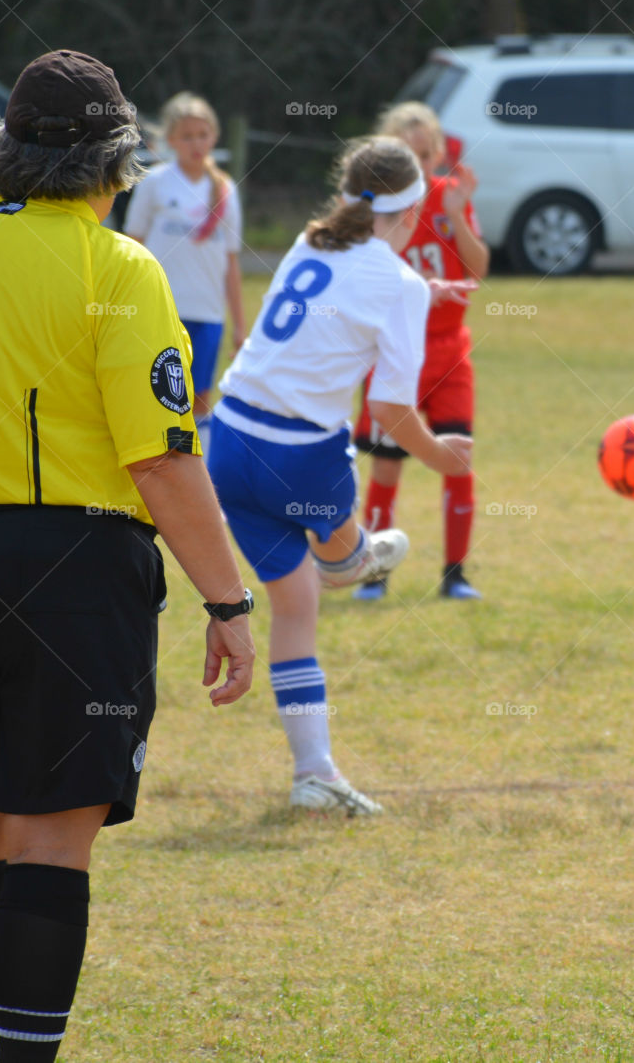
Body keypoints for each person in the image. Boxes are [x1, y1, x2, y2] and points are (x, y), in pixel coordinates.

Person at [0, 49, 255, 1063]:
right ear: (117, 168)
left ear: (1, 151)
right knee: (48, 842)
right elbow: (158, 463)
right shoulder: (117, 268)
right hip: (70, 567)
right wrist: (230, 603)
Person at [207, 137, 471, 815]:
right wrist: (441, 454)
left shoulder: (311, 239)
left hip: (230, 440)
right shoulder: (402, 285)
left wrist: (419, 289)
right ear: (415, 210)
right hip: (299, 453)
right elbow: (387, 407)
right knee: (345, 569)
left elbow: (344, 298)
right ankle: (356, 556)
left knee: (296, 606)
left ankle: (313, 773)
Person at [353, 102, 489, 601]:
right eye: (408, 154)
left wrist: (458, 218)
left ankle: (456, 575)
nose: (420, 164)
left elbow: (477, 271)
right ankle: (376, 573)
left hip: (449, 351)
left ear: (438, 155)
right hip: (393, 352)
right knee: (386, 466)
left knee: (458, 457)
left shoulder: (451, 198)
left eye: (427, 153)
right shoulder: (379, 209)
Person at [123, 92, 244, 448]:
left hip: (207, 313)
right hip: (161, 310)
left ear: (214, 137)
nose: (196, 143)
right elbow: (131, 248)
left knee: (200, 397)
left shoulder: (225, 189)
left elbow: (232, 261)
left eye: (202, 134)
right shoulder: (155, 182)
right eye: (187, 136)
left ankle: (197, 477)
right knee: (156, 395)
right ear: (171, 139)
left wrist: (240, 326)